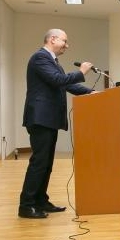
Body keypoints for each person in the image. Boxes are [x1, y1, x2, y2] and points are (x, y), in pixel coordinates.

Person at [18, 29, 94, 219]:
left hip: (48, 119)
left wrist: (90, 93)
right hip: (40, 118)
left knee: (46, 164)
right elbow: (58, 80)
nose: (67, 46)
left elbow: (65, 85)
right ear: (52, 39)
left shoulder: (53, 62)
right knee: (39, 163)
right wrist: (81, 71)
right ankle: (26, 206)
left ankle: (41, 201)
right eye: (64, 41)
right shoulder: (40, 58)